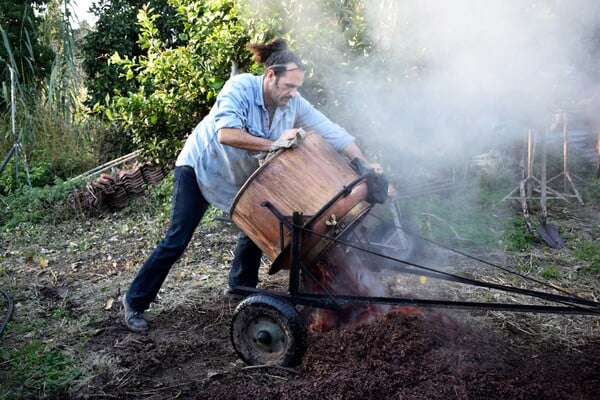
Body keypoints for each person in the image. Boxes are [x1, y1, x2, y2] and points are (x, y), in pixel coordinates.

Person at [122, 37, 382, 332]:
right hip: (201, 168)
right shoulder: (240, 88)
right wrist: (275, 144)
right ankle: (135, 302)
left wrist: (363, 162)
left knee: (258, 227)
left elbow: (331, 131)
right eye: (289, 86)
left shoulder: (292, 102)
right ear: (271, 76)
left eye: (298, 87)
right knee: (177, 239)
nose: (294, 93)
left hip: (242, 176)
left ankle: (240, 287)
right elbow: (227, 134)